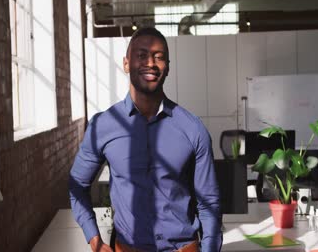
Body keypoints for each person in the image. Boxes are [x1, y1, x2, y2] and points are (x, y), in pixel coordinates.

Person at [69, 27, 222, 252]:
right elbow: (77, 186)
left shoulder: (193, 128)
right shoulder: (103, 125)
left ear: (167, 67)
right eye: (141, 55)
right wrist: (95, 240)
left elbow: (209, 203)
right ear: (126, 63)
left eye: (158, 57)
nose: (150, 63)